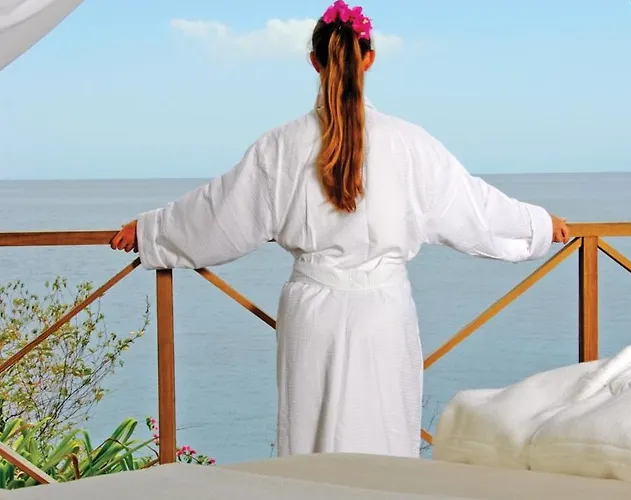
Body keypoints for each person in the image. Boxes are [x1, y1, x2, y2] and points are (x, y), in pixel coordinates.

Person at [110, 0, 570, 459]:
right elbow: (475, 208)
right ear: (369, 59)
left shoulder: (281, 146)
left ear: (315, 62)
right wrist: (538, 225)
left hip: (314, 317)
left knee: (310, 444)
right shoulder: (411, 144)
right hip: (384, 316)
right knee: (385, 438)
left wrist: (151, 232)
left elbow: (219, 214)